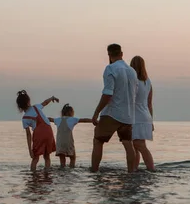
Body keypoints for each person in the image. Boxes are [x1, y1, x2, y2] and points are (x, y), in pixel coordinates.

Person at [90, 43, 139, 173]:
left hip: (112, 113)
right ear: (122, 54)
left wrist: (96, 113)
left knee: (98, 141)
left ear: (109, 55)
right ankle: (131, 173)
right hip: (128, 115)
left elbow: (107, 94)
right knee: (128, 143)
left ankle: (94, 172)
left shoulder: (110, 69)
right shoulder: (132, 71)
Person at [16, 90, 59, 171]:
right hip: (48, 131)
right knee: (47, 156)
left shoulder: (24, 119)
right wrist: (52, 98)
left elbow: (28, 135)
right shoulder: (36, 107)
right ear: (29, 101)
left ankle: (33, 175)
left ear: (19, 107)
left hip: (39, 134)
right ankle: (47, 174)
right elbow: (45, 103)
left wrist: (30, 151)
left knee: (35, 158)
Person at [130, 56, 155, 171]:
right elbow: (150, 104)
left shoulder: (133, 81)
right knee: (136, 146)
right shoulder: (148, 81)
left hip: (136, 117)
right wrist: (152, 121)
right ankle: (134, 169)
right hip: (146, 116)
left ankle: (151, 169)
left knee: (140, 146)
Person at [48, 103, 92, 168]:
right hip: (68, 142)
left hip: (59, 143)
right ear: (70, 112)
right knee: (73, 158)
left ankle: (62, 171)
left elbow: (49, 119)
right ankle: (71, 168)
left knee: (62, 160)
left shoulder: (58, 119)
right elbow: (84, 120)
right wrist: (94, 121)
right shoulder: (72, 119)